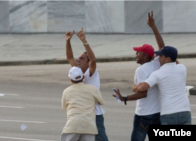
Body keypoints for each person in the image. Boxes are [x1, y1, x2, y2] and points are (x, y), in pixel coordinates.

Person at [113, 11, 165, 141]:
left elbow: (143, 93)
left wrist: (124, 98)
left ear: (145, 55)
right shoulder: (158, 63)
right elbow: (162, 46)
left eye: (138, 53)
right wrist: (153, 27)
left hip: (143, 115)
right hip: (157, 114)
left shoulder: (141, 70)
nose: (136, 54)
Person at [66, 27, 109, 140]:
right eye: (79, 58)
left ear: (88, 62)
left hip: (95, 114)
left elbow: (93, 60)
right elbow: (70, 57)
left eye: (82, 58)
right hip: (84, 114)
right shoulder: (78, 72)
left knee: (101, 139)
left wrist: (84, 41)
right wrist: (67, 41)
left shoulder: (91, 73)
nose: (78, 60)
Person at [134, 45, 191, 125]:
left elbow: (142, 88)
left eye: (161, 56)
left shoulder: (158, 73)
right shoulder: (182, 68)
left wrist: (134, 87)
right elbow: (175, 62)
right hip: (185, 111)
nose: (158, 58)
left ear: (167, 59)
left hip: (168, 113)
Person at [61, 66, 105, 141]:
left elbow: (64, 107)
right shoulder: (92, 89)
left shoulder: (66, 91)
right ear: (83, 76)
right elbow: (101, 102)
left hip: (72, 126)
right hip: (89, 127)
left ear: (71, 80)